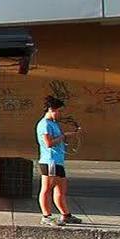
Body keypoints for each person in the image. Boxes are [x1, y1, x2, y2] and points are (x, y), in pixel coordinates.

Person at [36, 95, 79, 225]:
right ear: (50, 109)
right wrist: (63, 136)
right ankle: (46, 216)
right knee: (46, 189)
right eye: (58, 111)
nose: (60, 114)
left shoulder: (53, 124)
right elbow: (48, 143)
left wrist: (66, 137)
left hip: (58, 160)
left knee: (61, 189)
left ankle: (66, 214)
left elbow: (57, 139)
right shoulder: (44, 125)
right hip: (50, 161)